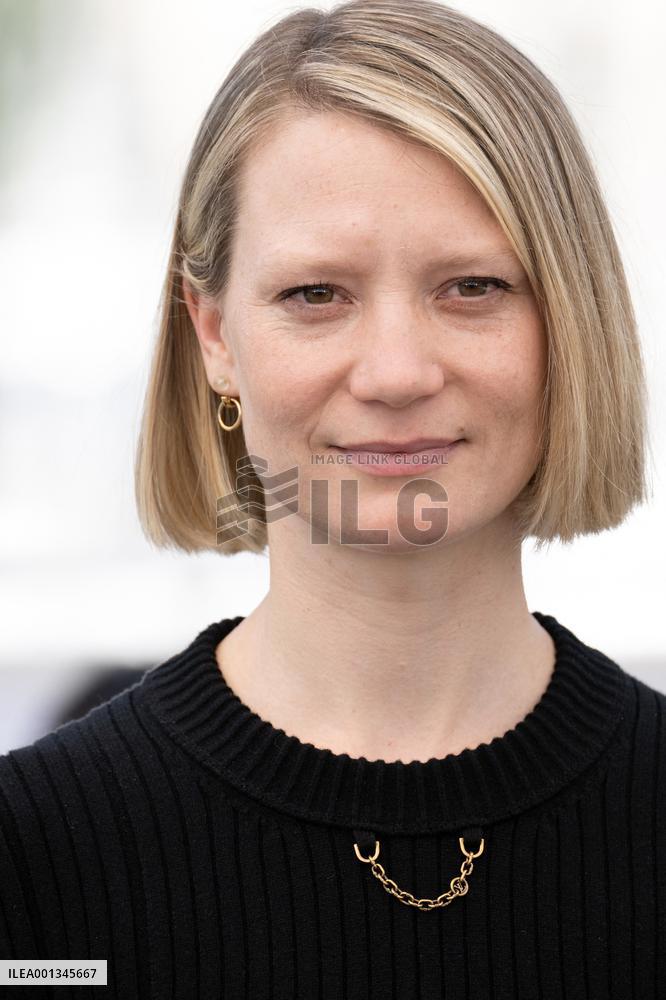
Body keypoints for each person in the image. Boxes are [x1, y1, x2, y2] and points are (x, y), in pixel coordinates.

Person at [1, 1, 663, 997]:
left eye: (471, 286)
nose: (395, 372)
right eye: (317, 294)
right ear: (215, 337)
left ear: (569, 319)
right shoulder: (34, 859)